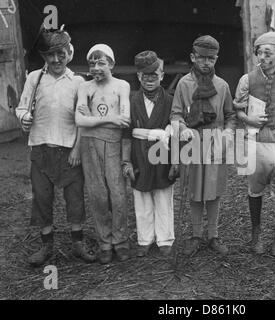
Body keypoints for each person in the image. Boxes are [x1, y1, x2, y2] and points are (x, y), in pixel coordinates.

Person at [15, 27, 96, 266]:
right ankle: (46, 245)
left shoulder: (78, 82)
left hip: (69, 152)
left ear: (69, 53)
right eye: (50, 55)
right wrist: (23, 118)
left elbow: (84, 120)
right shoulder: (34, 79)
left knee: (74, 198)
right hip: (40, 149)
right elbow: (21, 108)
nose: (56, 59)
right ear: (43, 57)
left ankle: (78, 244)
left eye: (61, 53)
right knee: (41, 197)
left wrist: (77, 150)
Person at [233, 31, 275, 256]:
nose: (262, 57)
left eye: (268, 53)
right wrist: (248, 119)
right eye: (259, 52)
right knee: (254, 191)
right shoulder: (247, 80)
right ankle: (256, 234)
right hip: (254, 144)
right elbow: (238, 111)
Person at [171, 35, 237, 256]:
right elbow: (176, 113)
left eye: (211, 58)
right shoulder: (184, 84)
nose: (206, 62)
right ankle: (196, 235)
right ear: (193, 57)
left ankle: (213, 235)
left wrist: (228, 132)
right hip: (192, 142)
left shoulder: (223, 86)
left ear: (216, 59)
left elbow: (230, 115)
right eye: (201, 58)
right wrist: (182, 128)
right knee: (194, 189)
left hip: (215, 142)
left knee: (213, 190)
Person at [75, 44, 131, 264]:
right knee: (97, 193)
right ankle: (105, 243)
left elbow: (124, 119)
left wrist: (91, 117)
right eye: (92, 63)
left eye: (101, 63)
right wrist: (110, 119)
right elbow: (79, 121)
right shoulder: (85, 87)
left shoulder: (121, 86)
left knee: (117, 193)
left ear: (112, 64)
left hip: (113, 144)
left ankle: (121, 241)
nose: (96, 68)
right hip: (89, 146)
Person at [121, 51, 178, 258]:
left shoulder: (171, 101)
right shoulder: (131, 101)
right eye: (145, 76)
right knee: (142, 197)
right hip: (139, 153)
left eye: (154, 75)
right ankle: (144, 239)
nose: (150, 79)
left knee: (163, 196)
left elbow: (177, 132)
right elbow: (126, 135)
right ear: (138, 77)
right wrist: (126, 161)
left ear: (162, 75)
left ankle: (165, 239)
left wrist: (175, 162)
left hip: (163, 151)